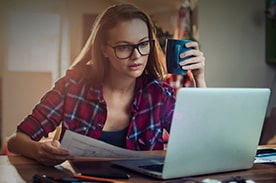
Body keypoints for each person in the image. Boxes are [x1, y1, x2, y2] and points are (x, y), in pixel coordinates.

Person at [7, 3, 206, 166]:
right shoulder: (73, 86)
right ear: (104, 50)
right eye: (124, 47)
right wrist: (38, 150)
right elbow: (16, 141)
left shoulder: (158, 95)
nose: (136, 56)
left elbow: (199, 143)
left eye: (143, 44)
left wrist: (199, 79)